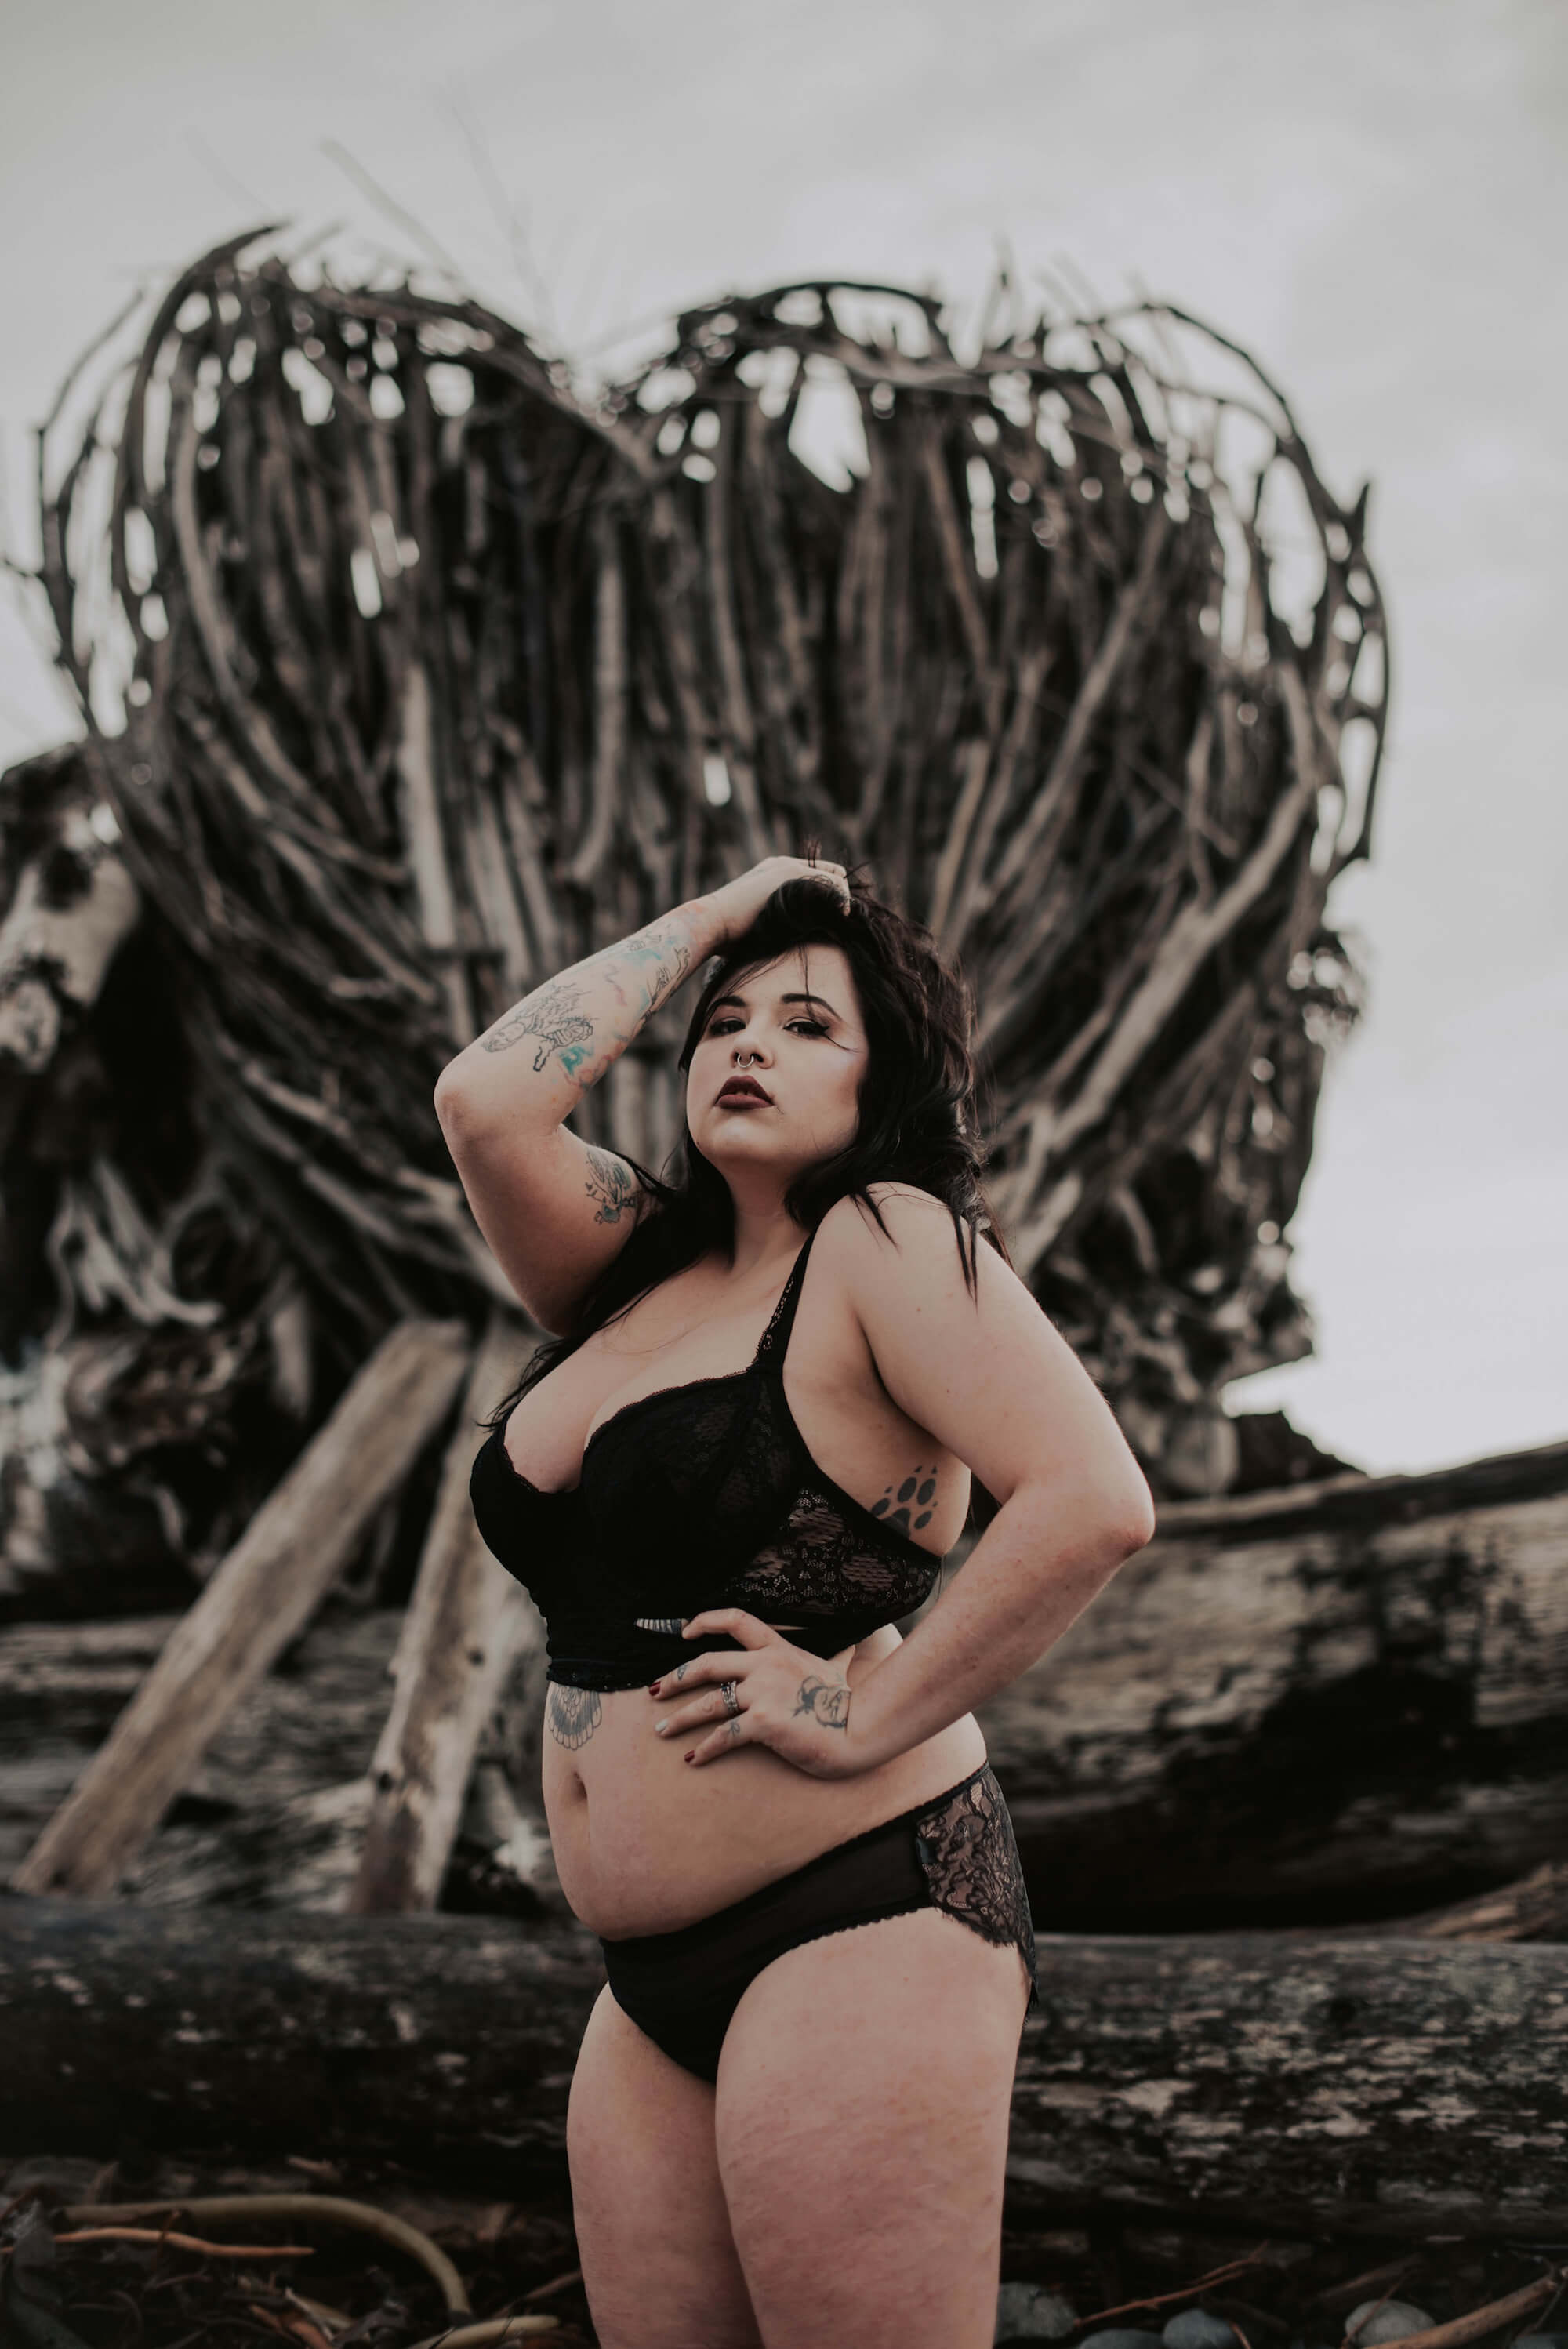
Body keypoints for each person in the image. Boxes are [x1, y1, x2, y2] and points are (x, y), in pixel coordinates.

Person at [436, 855, 1155, 2349]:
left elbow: (1094, 1500)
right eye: (726, 1022)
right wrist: (723, 915)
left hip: (860, 1917)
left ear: (880, 1081)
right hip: (647, 1986)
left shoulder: (884, 1240)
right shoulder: (634, 1267)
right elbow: (486, 1102)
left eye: (810, 1024)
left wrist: (862, 1711)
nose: (749, 1042)